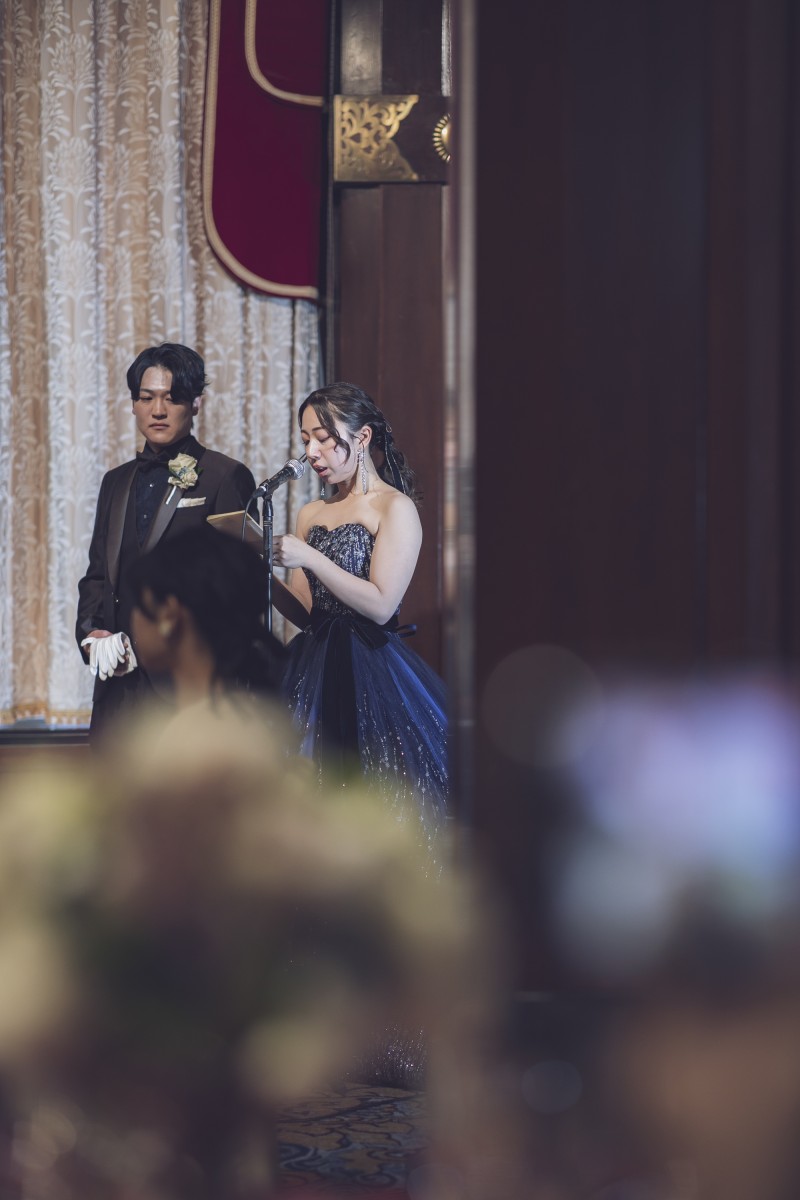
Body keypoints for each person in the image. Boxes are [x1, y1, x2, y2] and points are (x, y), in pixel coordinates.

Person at [272, 382, 447, 847]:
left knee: (368, 790)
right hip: (313, 660)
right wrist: (260, 574)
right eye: (305, 439)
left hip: (369, 664)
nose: (311, 452)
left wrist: (311, 558)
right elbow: (305, 613)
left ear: (363, 436)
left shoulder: (395, 507)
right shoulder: (310, 513)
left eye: (323, 438)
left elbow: (382, 603)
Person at [76, 342, 256, 740]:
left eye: (172, 398)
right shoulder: (115, 481)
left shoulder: (225, 476)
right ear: (134, 404)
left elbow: (241, 588)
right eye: (147, 398)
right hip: (118, 692)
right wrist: (92, 635)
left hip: (190, 692)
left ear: (196, 404)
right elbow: (97, 576)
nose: (158, 410)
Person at [125, 526, 284, 711]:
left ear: (169, 615)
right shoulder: (250, 715)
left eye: (140, 606)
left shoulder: (194, 728)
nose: (134, 617)